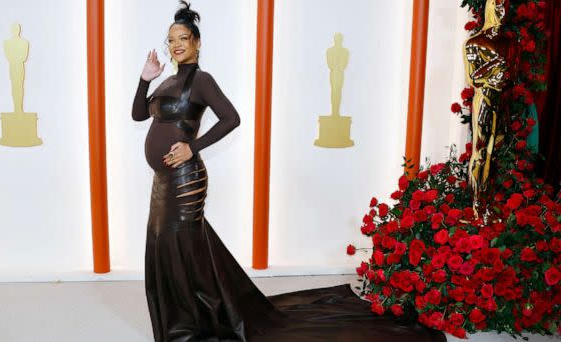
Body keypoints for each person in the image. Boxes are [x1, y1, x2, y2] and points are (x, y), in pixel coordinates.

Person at [132, 2, 446, 341]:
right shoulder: (164, 82)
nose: (176, 45)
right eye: (171, 40)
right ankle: (193, 316)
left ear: (196, 42)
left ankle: (193, 321)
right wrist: (144, 79)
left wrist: (193, 146)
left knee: (180, 245)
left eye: (183, 38)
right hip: (163, 180)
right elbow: (138, 115)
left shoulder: (202, 80)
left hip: (185, 180)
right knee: (168, 245)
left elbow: (231, 118)